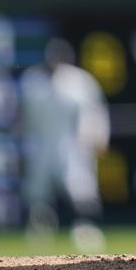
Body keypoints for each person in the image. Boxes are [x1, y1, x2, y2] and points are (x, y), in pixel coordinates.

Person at [19, 37, 111, 253]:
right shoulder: (32, 81)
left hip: (74, 145)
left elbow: (95, 113)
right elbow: (23, 118)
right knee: (37, 190)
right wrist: (22, 146)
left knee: (80, 186)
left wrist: (98, 138)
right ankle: (39, 232)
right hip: (41, 143)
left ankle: (86, 230)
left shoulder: (80, 82)